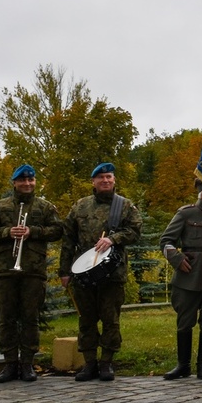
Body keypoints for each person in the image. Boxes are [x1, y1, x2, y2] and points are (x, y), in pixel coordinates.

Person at [60, 163, 142, 382]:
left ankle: (106, 363)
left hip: (113, 273)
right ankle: (89, 363)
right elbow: (68, 239)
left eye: (109, 177)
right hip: (82, 273)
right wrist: (64, 271)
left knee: (110, 319)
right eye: (101, 177)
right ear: (93, 182)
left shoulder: (125, 205)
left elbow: (135, 231)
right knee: (86, 319)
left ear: (114, 180)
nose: (105, 180)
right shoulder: (80, 206)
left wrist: (113, 239)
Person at [0, 164, 63, 383]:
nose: (27, 183)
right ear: (15, 183)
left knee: (30, 318)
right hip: (4, 270)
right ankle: (10, 364)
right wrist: (7, 232)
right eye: (23, 180)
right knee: (5, 319)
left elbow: (57, 230)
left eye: (31, 180)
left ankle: (27, 364)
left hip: (33, 270)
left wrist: (32, 231)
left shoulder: (45, 207)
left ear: (34, 181)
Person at [160, 178, 202, 381]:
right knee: (185, 322)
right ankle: (183, 365)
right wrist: (177, 259)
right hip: (188, 276)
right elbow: (166, 241)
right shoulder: (186, 213)